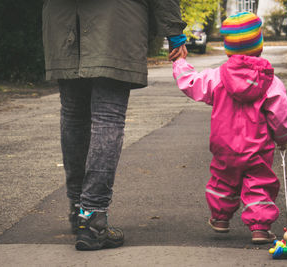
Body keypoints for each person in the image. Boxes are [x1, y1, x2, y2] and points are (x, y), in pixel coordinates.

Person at [42, 0, 186, 250]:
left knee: (73, 116)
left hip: (62, 20)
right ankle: (94, 217)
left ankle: (79, 210)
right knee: (107, 117)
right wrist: (174, 31)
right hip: (117, 21)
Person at [170, 12, 287, 244]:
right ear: (259, 46)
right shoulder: (270, 82)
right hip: (257, 149)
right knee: (258, 184)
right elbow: (281, 115)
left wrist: (179, 63)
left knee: (223, 181)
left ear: (228, 49)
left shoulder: (217, 77)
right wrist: (283, 138)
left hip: (224, 147)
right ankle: (259, 228)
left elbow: (192, 83)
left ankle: (220, 219)